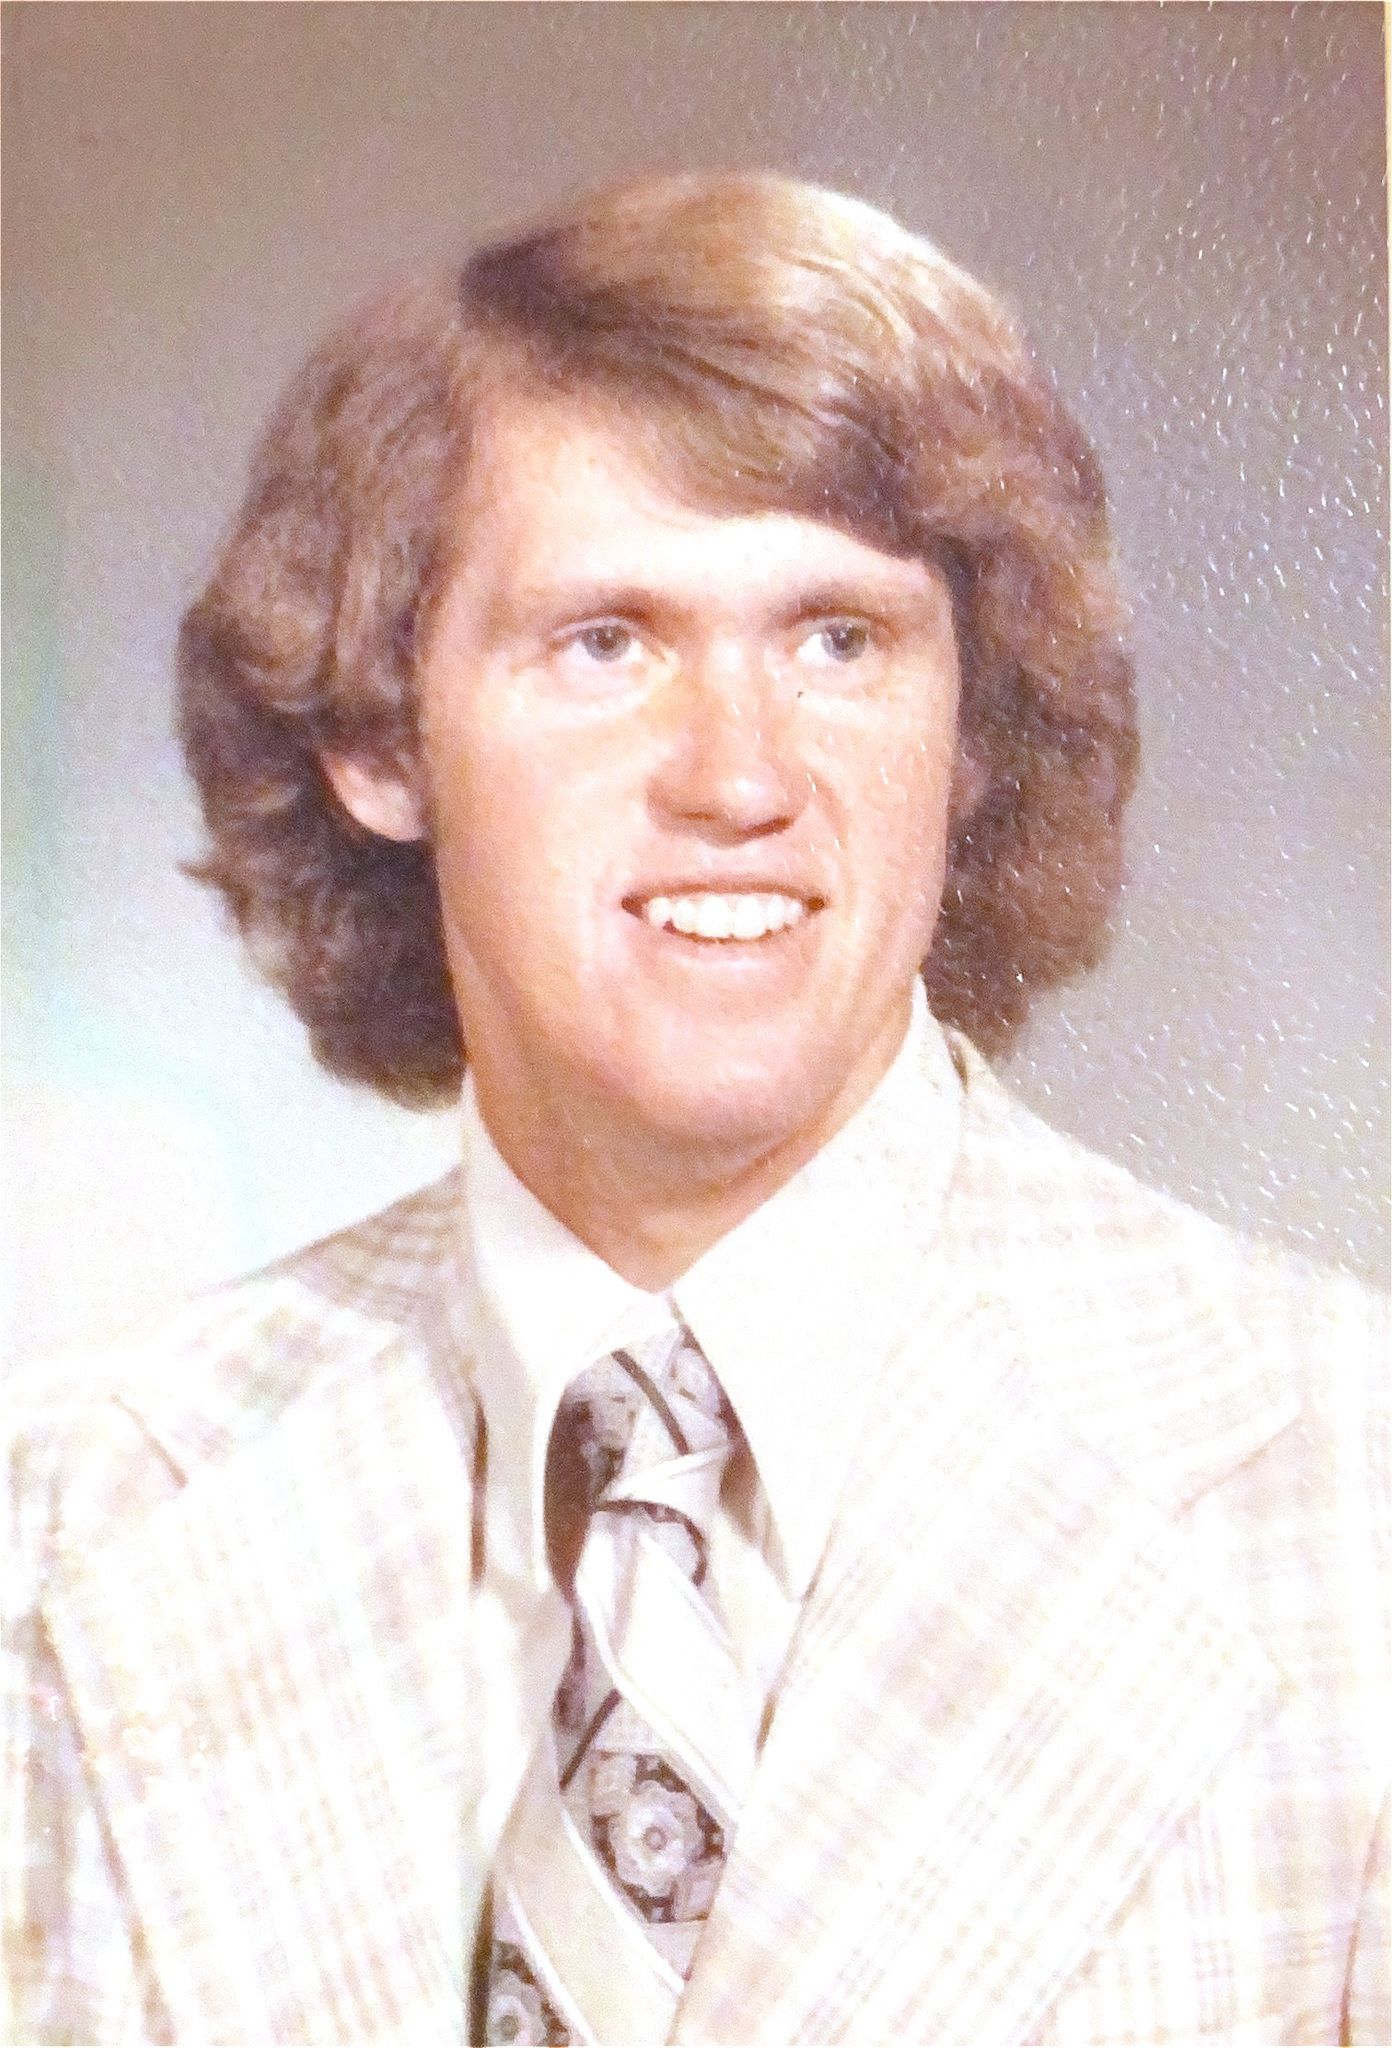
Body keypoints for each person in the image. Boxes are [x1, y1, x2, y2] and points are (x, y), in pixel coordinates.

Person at [6, 171, 1385, 2048]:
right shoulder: (64, 1520)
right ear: (380, 739)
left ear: (969, 736)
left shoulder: (1350, 1499)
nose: (740, 777)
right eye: (609, 641)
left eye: (839, 641)